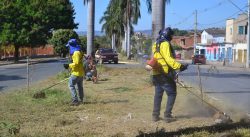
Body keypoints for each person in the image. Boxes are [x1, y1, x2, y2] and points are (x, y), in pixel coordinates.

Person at [151, 27, 188, 122]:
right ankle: (167, 116)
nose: (172, 37)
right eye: (171, 35)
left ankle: (155, 115)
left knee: (158, 95)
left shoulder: (156, 44)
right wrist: (180, 66)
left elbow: (158, 58)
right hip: (165, 74)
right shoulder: (165, 44)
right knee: (172, 93)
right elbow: (168, 59)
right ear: (167, 35)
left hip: (156, 73)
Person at [64, 39, 85, 106]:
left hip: (76, 73)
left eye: (69, 46)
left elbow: (76, 63)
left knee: (71, 85)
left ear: (72, 45)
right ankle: (81, 99)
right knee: (80, 87)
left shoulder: (76, 53)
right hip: (81, 73)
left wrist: (68, 65)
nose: (69, 47)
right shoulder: (80, 51)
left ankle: (75, 100)